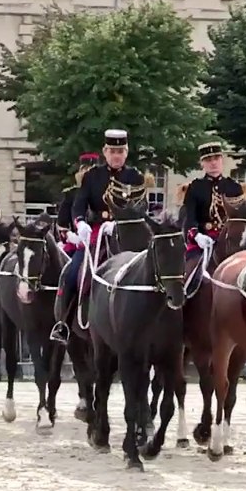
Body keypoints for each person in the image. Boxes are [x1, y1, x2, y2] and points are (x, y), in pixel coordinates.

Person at [49, 129, 149, 345]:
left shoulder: (136, 177)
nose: (116, 155)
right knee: (72, 272)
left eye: (120, 151)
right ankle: (64, 324)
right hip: (98, 233)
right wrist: (80, 223)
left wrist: (122, 221)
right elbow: (79, 206)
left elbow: (142, 207)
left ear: (126, 152)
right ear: (105, 151)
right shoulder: (92, 176)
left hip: (128, 234)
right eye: (112, 151)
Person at [178, 139, 246, 257]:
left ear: (222, 160)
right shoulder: (195, 187)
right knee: (190, 268)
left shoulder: (235, 187)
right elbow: (189, 218)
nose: (213, 163)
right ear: (202, 164)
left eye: (216, 159)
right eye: (208, 160)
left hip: (230, 240)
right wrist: (196, 235)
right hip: (203, 240)